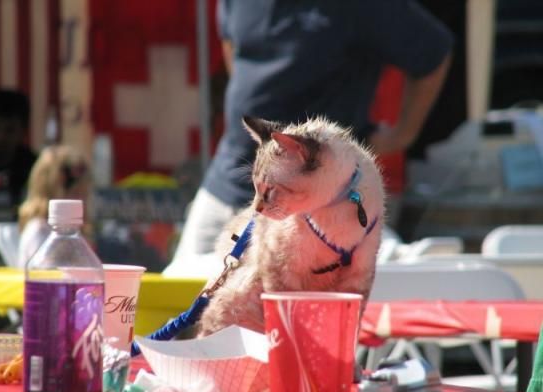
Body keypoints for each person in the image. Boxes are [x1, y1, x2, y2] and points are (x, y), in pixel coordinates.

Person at [164, 0, 453, 276]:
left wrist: (402, 135)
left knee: (304, 305)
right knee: (176, 296)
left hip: (313, 205)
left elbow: (434, 52)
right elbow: (232, 44)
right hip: (225, 184)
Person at [17, 145, 91, 267]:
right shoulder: (39, 231)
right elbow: (46, 273)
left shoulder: (73, 233)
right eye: (76, 191)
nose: (81, 199)